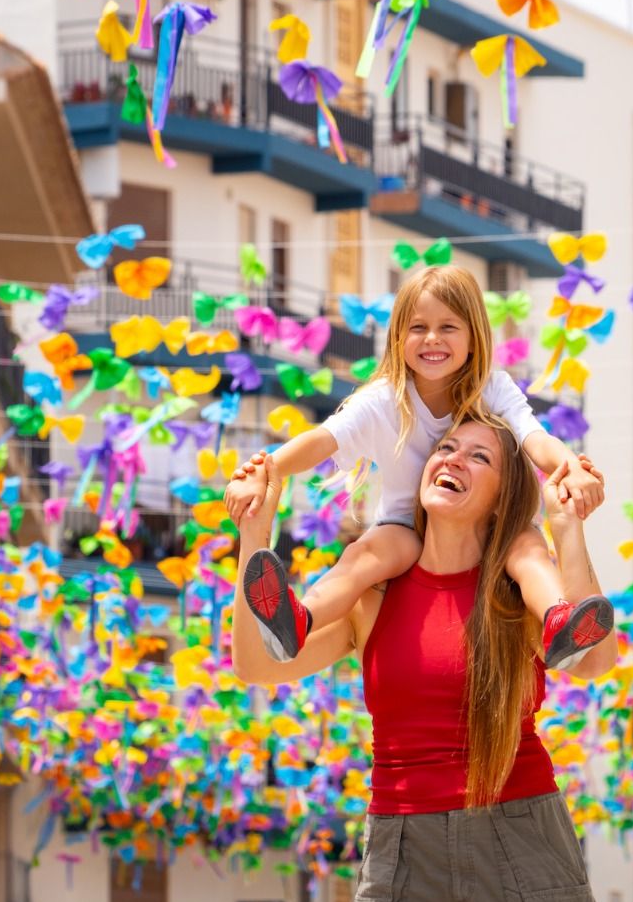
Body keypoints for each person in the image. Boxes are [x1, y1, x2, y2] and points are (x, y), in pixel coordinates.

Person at [229, 415, 614, 902]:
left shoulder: (518, 590)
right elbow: (256, 665)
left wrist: (568, 532)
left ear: (503, 499)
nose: (453, 458)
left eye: (479, 456)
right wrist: (255, 532)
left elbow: (593, 661)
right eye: (448, 447)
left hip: (521, 837)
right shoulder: (374, 594)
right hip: (403, 853)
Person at [225, 265, 609, 671]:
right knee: (363, 556)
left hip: (497, 531)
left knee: (528, 550)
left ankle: (557, 620)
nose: (432, 339)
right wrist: (267, 471)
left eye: (448, 327)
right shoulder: (384, 400)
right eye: (417, 327)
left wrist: (571, 465)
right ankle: (299, 619)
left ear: (474, 339)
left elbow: (535, 439)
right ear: (397, 337)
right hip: (405, 526)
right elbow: (322, 439)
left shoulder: (493, 389)